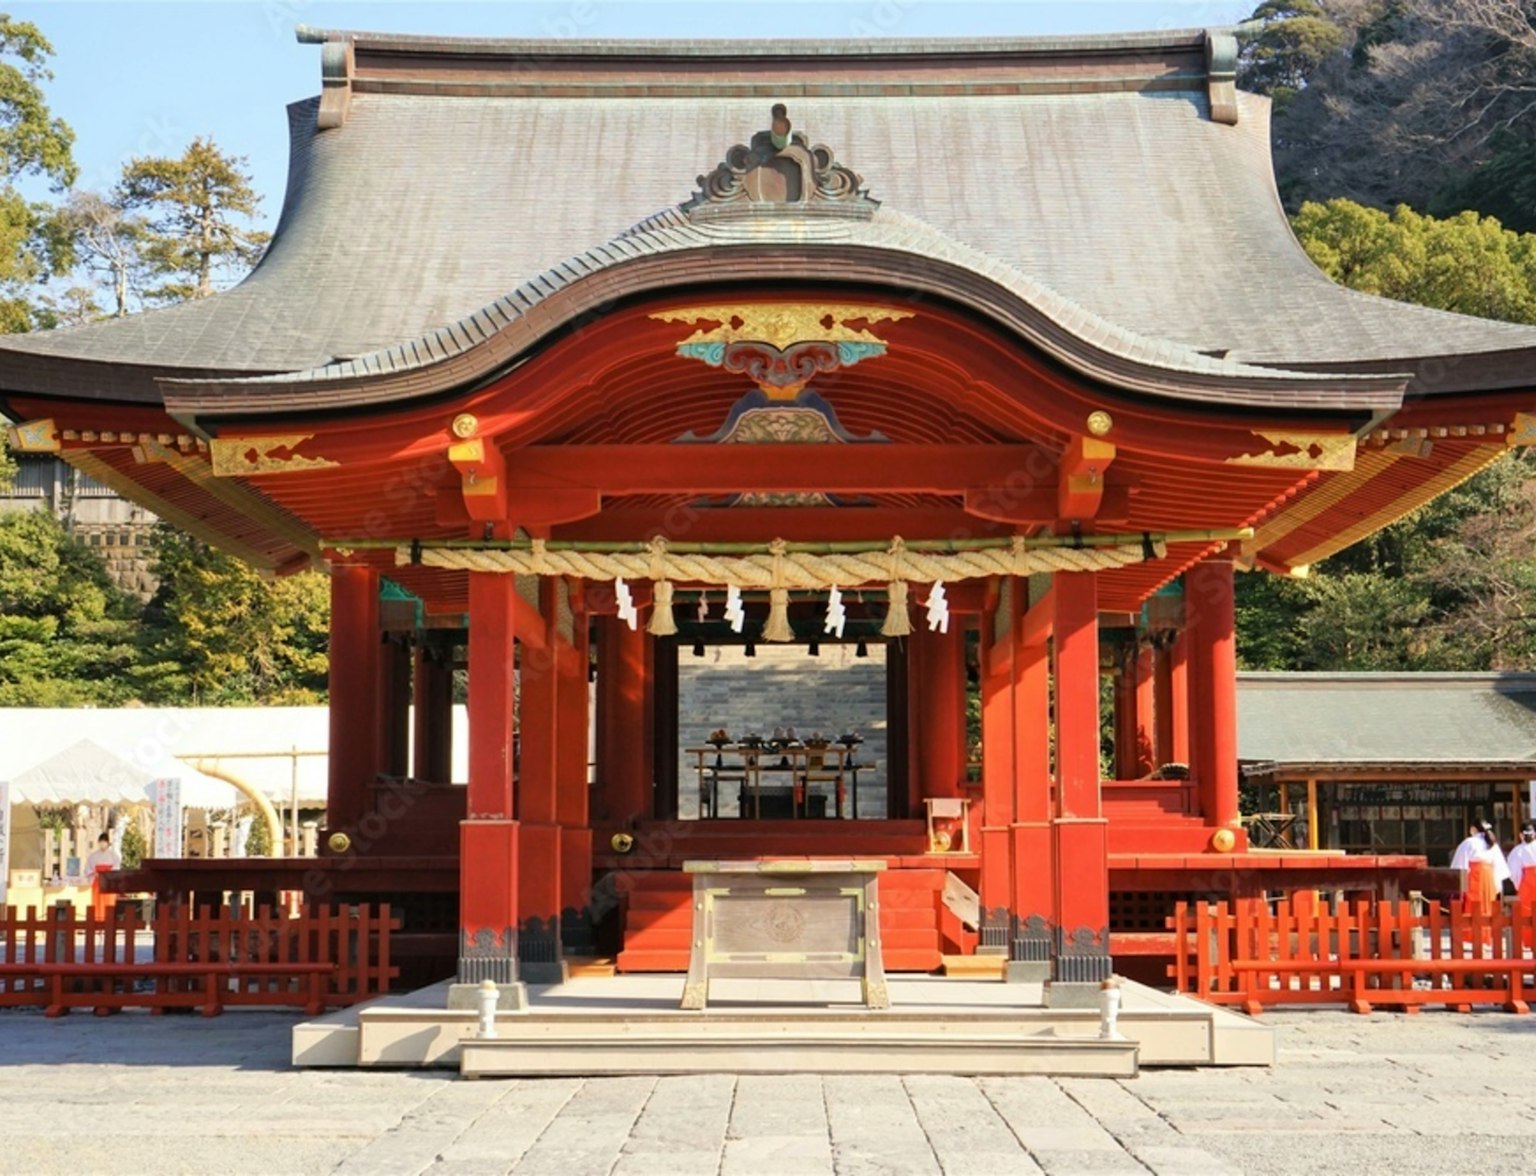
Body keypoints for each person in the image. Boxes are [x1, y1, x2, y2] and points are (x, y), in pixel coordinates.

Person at [1450, 819, 1510, 920]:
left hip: (1473, 879)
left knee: (1473, 907)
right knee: (1487, 906)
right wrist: (1497, 885)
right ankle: (1487, 929)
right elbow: (1499, 867)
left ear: (1473, 829)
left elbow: (1460, 866)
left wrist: (1458, 884)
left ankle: (1472, 929)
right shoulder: (1493, 844)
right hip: (1489, 879)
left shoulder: (1469, 842)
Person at [1508, 823, 1536, 945]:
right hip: (1528, 880)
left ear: (1520, 835)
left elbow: (1514, 873)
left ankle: (1529, 941)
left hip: (1527, 883)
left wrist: (1519, 885)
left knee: (1527, 912)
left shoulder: (1518, 851)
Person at [83, 832, 120, 921]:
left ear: (108, 843)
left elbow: (116, 867)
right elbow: (88, 868)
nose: (102, 844)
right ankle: (97, 920)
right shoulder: (93, 856)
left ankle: (109, 920)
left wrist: (108, 874)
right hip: (97, 881)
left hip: (109, 882)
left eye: (104, 842)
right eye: (100, 842)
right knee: (97, 902)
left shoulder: (113, 855)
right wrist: (94, 873)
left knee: (109, 902)